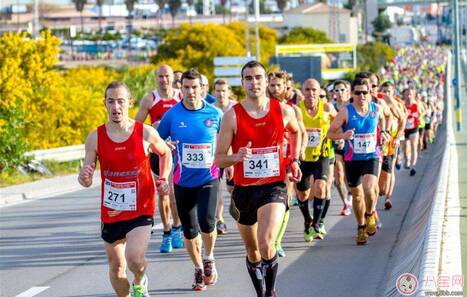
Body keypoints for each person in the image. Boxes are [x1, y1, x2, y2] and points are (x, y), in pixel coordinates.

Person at [215, 61, 302, 297]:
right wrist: (237, 156)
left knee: (266, 243)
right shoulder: (232, 116)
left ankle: (270, 292)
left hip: (274, 187)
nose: (254, 82)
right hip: (244, 191)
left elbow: (296, 132)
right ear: (242, 83)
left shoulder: (283, 111)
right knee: (253, 251)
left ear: (266, 81)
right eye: (249, 78)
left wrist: (294, 159)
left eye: (258, 77)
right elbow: (219, 159)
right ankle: (260, 291)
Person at [78, 81, 173, 297]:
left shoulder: (144, 133)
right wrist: (84, 177)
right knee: (116, 267)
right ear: (105, 104)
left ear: (129, 103)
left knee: (135, 259)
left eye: (121, 101)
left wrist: (163, 177)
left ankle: (140, 280)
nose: (116, 107)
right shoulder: (95, 137)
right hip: (111, 211)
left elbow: (165, 152)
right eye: (111, 101)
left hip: (141, 207)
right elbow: (87, 172)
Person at [158, 69, 223, 291]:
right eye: (186, 87)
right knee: (189, 230)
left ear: (202, 88)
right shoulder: (173, 115)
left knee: (207, 222)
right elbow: (157, 143)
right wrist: (165, 146)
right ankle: (197, 267)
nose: (191, 92)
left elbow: (227, 138)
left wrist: (230, 161)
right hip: (183, 180)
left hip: (209, 176)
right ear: (181, 88)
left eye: (195, 87)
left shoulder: (215, 114)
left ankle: (209, 257)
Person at [327, 78, 388, 245]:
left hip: (371, 156)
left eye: (365, 92)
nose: (361, 96)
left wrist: (384, 132)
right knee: (357, 196)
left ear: (370, 94)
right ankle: (361, 226)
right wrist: (343, 136)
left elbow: (385, 119)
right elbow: (330, 133)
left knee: (369, 189)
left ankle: (370, 215)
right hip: (352, 159)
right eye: (358, 92)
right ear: (352, 94)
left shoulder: (376, 108)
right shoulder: (346, 112)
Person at [135, 64, 184, 253]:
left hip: (177, 152)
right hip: (158, 152)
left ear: (173, 78)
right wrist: (152, 127)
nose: (164, 80)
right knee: (163, 193)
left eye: (167, 76)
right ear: (156, 78)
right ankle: (166, 232)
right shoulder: (150, 98)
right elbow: (136, 126)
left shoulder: (181, 97)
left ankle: (177, 228)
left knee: (173, 194)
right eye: (160, 76)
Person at [267, 71, 307, 257]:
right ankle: (266, 237)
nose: (275, 89)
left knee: (284, 200)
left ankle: (276, 241)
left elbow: (301, 133)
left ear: (285, 87)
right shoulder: (260, 108)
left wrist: (297, 156)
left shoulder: (292, 110)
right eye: (272, 85)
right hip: (265, 162)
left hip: (285, 161)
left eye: (278, 85)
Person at [296, 79, 337, 241]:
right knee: (303, 193)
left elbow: (338, 122)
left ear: (319, 91)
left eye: (314, 90)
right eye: (307, 89)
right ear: (302, 91)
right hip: (303, 156)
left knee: (321, 186)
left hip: (322, 153)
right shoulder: (297, 109)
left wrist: (338, 135)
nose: (311, 93)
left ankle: (317, 223)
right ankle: (307, 219)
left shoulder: (327, 107)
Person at [213, 79, 237, 235]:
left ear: (229, 92)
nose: (221, 94)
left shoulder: (235, 108)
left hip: (234, 155)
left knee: (232, 188)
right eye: (218, 91)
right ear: (213, 92)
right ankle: (219, 219)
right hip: (217, 155)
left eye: (223, 91)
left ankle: (235, 202)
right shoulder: (212, 109)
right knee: (218, 189)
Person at [379, 81, 406, 209]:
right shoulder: (378, 101)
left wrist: (397, 137)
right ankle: (380, 188)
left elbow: (403, 119)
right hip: (380, 138)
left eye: (388, 91)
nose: (386, 94)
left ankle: (388, 197)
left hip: (393, 139)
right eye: (384, 91)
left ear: (393, 92)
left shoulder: (397, 103)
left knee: (391, 169)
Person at [331, 80, 353, 216]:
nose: (340, 93)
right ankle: (345, 202)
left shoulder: (352, 107)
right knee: (338, 176)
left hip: (351, 146)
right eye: (337, 90)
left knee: (348, 177)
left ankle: (351, 196)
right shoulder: (331, 107)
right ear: (333, 93)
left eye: (342, 90)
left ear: (348, 91)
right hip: (335, 146)